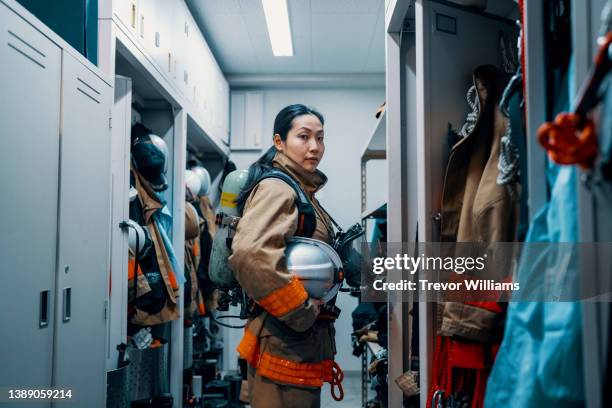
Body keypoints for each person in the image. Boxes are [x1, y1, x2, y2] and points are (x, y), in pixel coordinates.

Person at [228, 104, 342, 408]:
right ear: (279, 142)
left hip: (293, 342)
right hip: (284, 342)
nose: (315, 147)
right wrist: (302, 311)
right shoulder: (279, 188)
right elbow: (251, 255)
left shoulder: (301, 189)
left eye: (320, 138)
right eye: (303, 137)